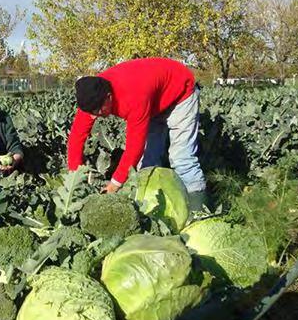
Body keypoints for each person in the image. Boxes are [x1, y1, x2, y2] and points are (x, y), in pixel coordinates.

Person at [67, 57, 207, 211]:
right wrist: (76, 177)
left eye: (98, 111)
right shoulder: (90, 98)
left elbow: (134, 147)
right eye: (91, 113)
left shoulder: (133, 96)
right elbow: (76, 138)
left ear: (109, 97)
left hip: (180, 93)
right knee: (147, 164)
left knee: (181, 158)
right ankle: (156, 209)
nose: (95, 116)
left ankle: (198, 209)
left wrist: (114, 184)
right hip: (154, 99)